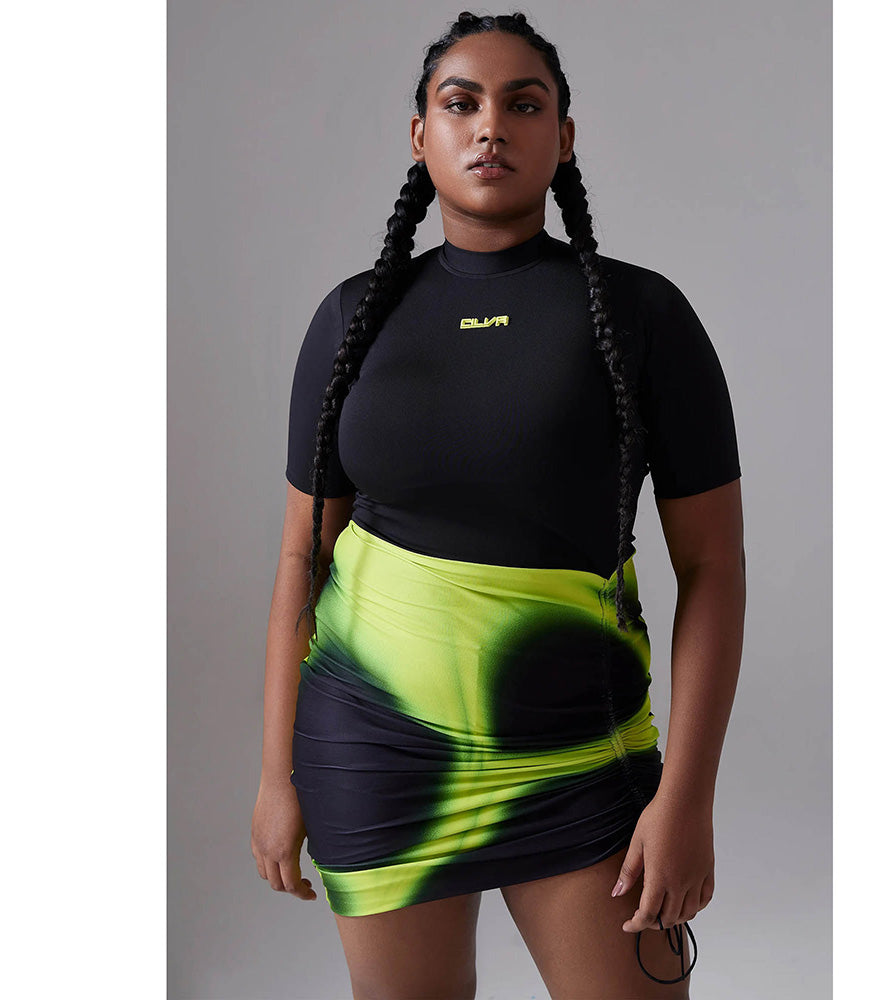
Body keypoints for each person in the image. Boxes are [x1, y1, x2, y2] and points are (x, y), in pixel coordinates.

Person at [250, 10, 745, 999]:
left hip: (582, 754)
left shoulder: (641, 314)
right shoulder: (352, 319)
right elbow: (304, 560)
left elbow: (712, 569)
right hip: (374, 748)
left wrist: (687, 798)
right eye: (460, 102)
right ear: (420, 134)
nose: (489, 127)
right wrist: (275, 775)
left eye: (523, 105)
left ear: (564, 137)